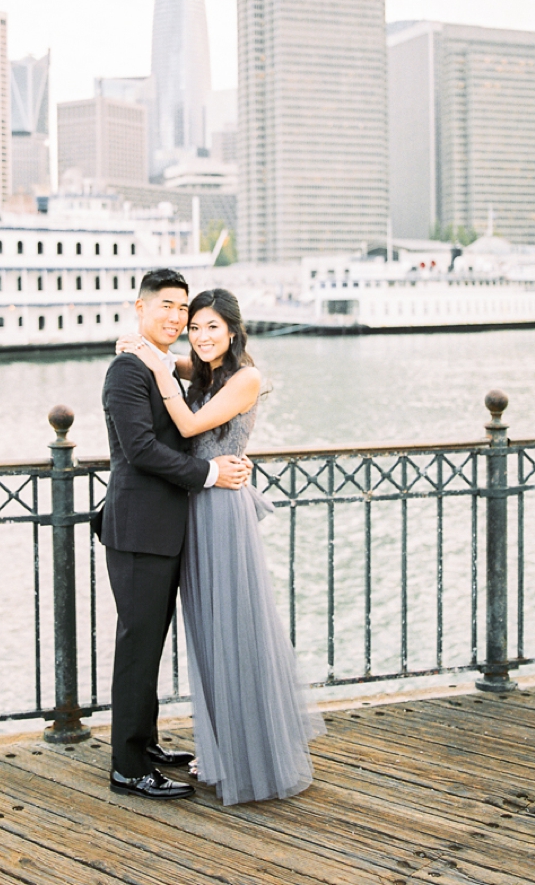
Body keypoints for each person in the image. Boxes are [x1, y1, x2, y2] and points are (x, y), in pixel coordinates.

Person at [119, 287, 324, 806]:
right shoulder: (201, 369)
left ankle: (253, 756)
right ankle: (224, 749)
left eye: (213, 327)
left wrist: (159, 367)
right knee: (210, 635)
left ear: (233, 330)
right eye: (195, 326)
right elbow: (155, 354)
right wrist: (140, 345)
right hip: (194, 507)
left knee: (236, 629)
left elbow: (188, 424)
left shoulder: (246, 376)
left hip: (222, 508)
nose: (202, 336)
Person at [100, 269, 253, 800]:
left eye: (181, 310)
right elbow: (140, 450)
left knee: (151, 644)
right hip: (139, 529)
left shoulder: (160, 364)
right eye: (165, 306)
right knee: (138, 648)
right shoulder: (127, 371)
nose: (175, 317)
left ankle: (145, 744)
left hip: (167, 528)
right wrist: (212, 474)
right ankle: (127, 767)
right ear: (139, 307)